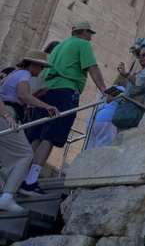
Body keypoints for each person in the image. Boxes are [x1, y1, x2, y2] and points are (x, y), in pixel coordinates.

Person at [22, 20, 107, 195]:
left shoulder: (59, 47)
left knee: (37, 135)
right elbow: (92, 67)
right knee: (51, 136)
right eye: (90, 33)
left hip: (47, 89)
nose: (91, 37)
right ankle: (31, 181)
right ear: (83, 32)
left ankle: (21, 177)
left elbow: (45, 73)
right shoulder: (82, 44)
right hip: (65, 90)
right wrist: (104, 90)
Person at [0, 50, 59, 213]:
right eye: (40, 66)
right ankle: (7, 197)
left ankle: (11, 189)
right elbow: (23, 95)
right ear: (33, 64)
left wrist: (35, 95)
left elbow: (15, 96)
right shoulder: (25, 74)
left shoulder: (15, 74)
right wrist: (46, 106)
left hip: (5, 114)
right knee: (26, 154)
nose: (41, 70)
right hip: (6, 116)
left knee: (8, 158)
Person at [116, 45, 145, 124]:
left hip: (136, 112)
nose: (141, 57)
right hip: (127, 112)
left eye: (144, 55)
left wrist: (125, 74)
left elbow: (140, 84)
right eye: (139, 56)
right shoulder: (141, 72)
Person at [85, 80, 124, 149]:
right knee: (103, 149)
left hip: (92, 119)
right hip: (106, 119)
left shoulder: (108, 89)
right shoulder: (122, 90)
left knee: (89, 149)